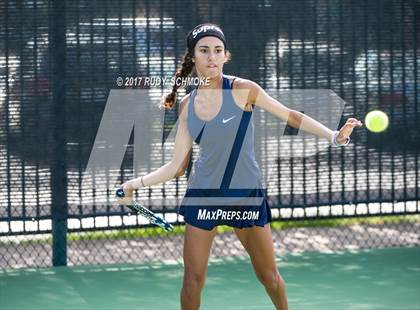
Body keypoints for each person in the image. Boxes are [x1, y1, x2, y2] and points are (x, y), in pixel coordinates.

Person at [118, 23, 363, 310]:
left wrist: (334, 136)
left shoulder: (244, 90)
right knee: (192, 281)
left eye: (218, 51)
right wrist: (133, 184)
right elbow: (176, 167)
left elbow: (291, 116)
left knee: (269, 277)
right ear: (193, 57)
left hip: (244, 193)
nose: (211, 56)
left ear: (225, 56)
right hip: (204, 195)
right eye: (204, 50)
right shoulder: (186, 106)